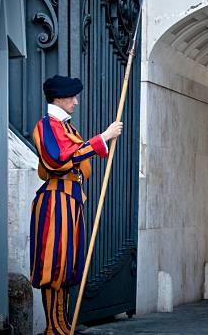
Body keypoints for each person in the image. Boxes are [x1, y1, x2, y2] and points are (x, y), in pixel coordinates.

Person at [29, 75, 123, 335]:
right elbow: (58, 159)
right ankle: (53, 328)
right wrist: (102, 137)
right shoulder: (46, 126)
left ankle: (62, 324)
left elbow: (82, 155)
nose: (76, 102)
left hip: (71, 200)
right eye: (72, 97)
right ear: (58, 97)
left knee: (68, 267)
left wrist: (102, 142)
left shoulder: (67, 128)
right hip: (55, 201)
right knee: (53, 265)